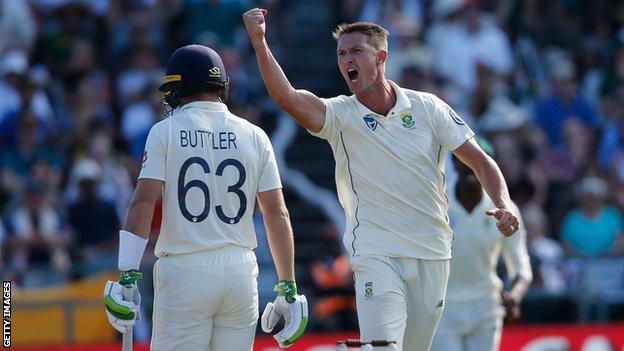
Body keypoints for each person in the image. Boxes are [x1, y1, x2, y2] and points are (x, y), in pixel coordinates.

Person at [243, 9, 519, 350]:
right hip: (376, 253)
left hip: (432, 251)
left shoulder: (428, 107)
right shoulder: (340, 115)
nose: (346, 60)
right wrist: (259, 41)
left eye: (356, 51)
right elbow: (286, 96)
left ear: (381, 57)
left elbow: (480, 161)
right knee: (382, 347)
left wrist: (504, 205)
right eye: (342, 54)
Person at [102, 45, 307, 351]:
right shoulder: (255, 135)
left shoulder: (165, 131)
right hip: (240, 270)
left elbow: (143, 203)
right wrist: (287, 285)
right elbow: (277, 214)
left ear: (179, 87)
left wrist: (127, 272)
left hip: (186, 269)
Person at [431, 139, 532, 351]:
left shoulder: (505, 209)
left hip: (486, 308)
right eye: (464, 160)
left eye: (477, 161)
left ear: (488, 167)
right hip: (443, 307)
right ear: (454, 162)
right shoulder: (437, 203)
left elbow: (521, 269)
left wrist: (513, 297)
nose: (470, 166)